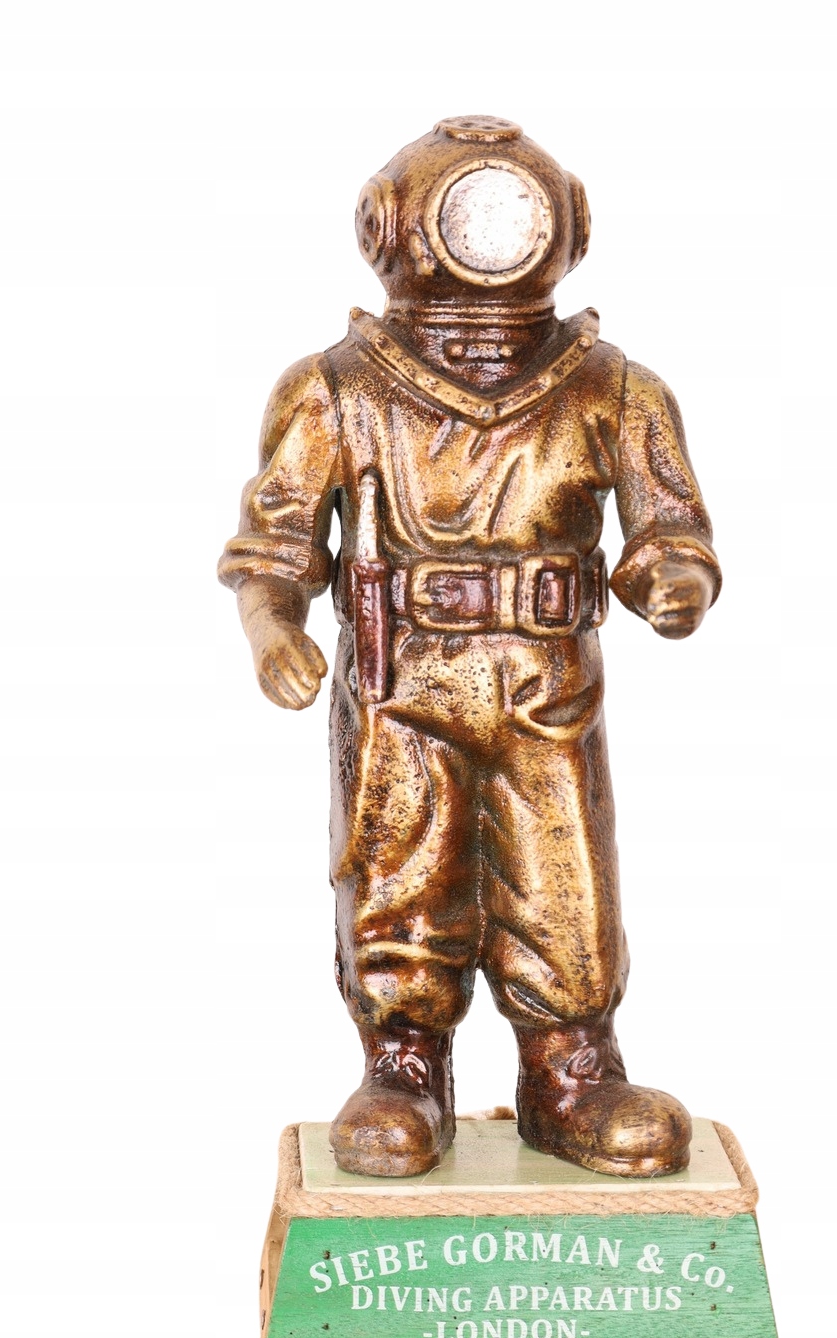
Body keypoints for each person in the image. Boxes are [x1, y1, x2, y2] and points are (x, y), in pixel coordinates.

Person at [218, 116, 721, 1178]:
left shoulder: (611, 389)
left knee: (565, 864)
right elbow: (275, 545)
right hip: (403, 680)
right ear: (389, 229)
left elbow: (671, 526)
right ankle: (403, 1063)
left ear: (567, 229)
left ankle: (572, 1068)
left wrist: (672, 579)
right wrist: (272, 629)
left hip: (548, 681)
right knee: (399, 863)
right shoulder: (337, 390)